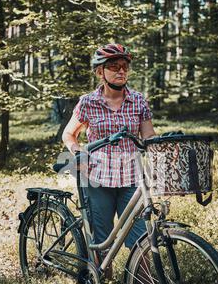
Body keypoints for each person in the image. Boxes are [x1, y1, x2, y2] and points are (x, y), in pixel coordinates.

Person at [62, 43, 156, 259]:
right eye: (114, 66)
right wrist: (77, 152)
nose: (121, 70)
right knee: (101, 242)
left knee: (140, 241)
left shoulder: (138, 101)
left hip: (131, 178)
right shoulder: (87, 102)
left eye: (124, 66)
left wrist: (165, 145)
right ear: (100, 71)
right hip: (97, 178)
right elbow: (68, 134)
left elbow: (148, 136)